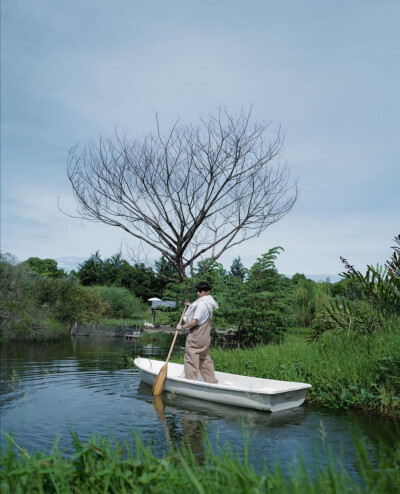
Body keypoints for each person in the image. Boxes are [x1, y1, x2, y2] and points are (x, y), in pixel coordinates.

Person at [176, 281, 219, 383]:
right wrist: (190, 306)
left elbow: (195, 321)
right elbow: (202, 314)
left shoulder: (201, 305)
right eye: (197, 291)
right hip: (205, 337)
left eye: (200, 291)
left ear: (207, 291)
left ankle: (191, 382)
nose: (198, 293)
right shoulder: (209, 304)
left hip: (196, 335)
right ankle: (211, 381)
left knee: (191, 358)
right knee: (204, 358)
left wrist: (182, 327)